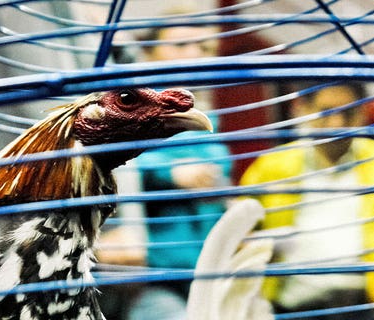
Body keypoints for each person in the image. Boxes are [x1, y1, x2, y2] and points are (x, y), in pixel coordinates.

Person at [95, 8, 234, 319]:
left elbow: (220, 173)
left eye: (204, 47)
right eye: (182, 45)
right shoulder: (129, 107)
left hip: (207, 267)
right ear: (150, 51)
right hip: (150, 273)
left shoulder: (207, 118)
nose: (195, 54)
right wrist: (169, 173)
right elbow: (110, 161)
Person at [240, 83, 374, 320]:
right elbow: (239, 232)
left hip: (364, 306)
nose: (336, 124)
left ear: (362, 113)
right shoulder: (272, 166)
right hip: (290, 306)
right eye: (326, 112)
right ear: (304, 110)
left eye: (347, 113)